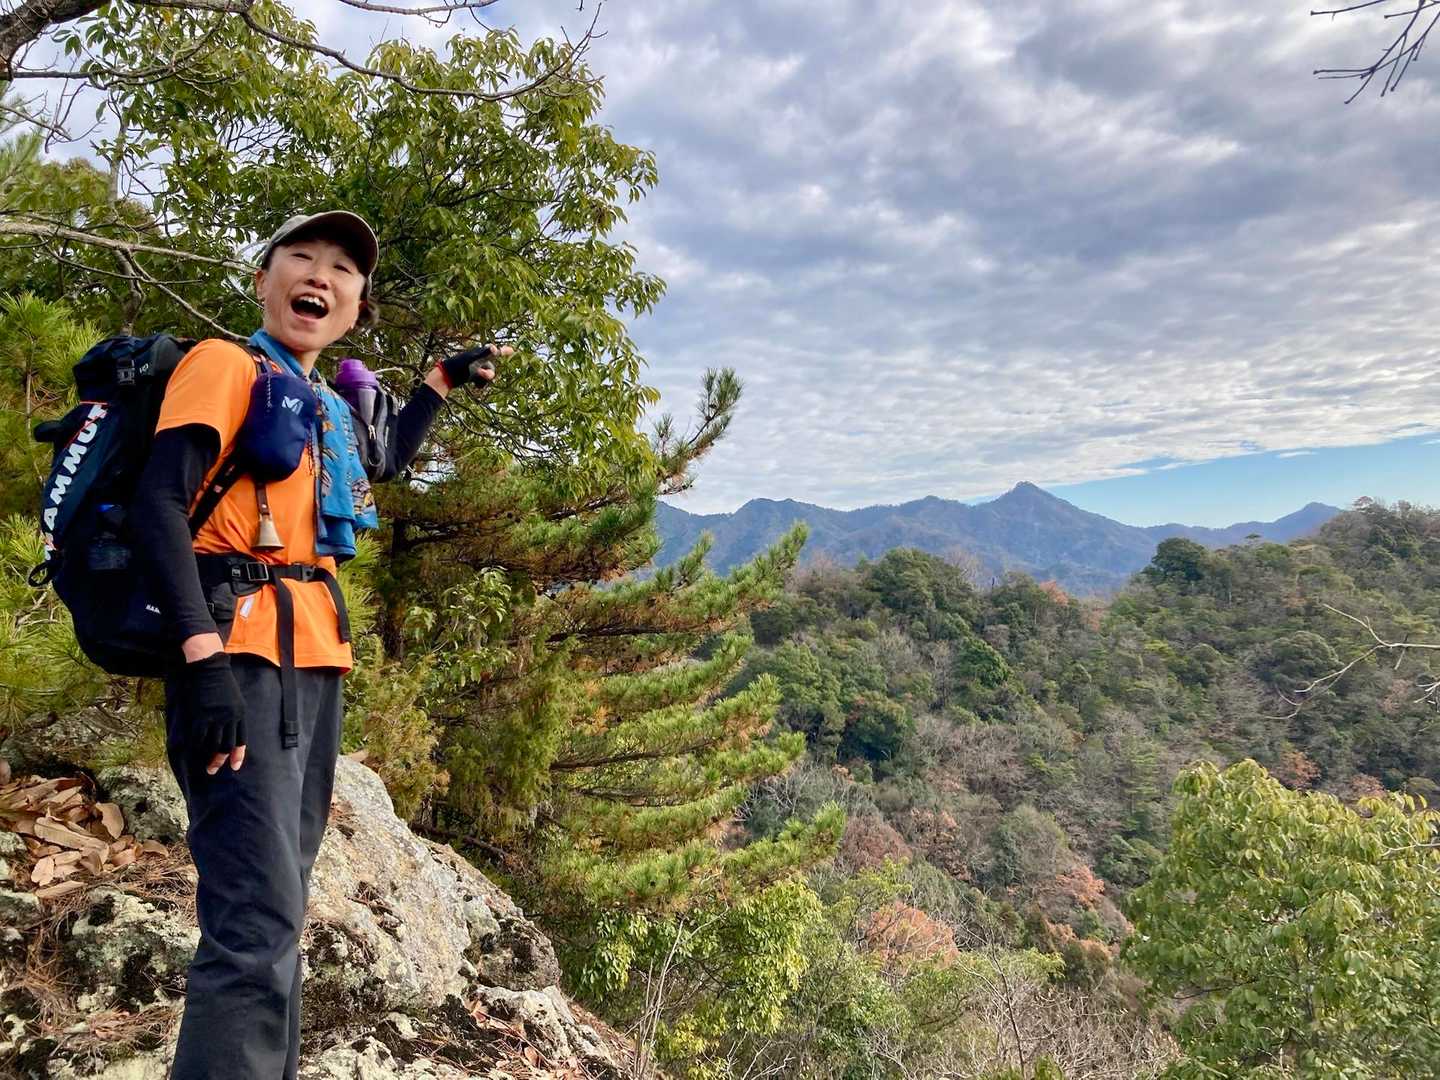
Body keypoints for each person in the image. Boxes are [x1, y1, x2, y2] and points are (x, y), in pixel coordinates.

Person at [131, 210, 509, 1080]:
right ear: (262, 280)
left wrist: (439, 384)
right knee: (254, 917)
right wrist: (202, 660)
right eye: (300, 256)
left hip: (312, 658)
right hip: (234, 653)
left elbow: (383, 459)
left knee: (281, 907)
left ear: (356, 307)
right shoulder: (223, 366)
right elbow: (159, 505)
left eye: (342, 269)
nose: (320, 275)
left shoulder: (328, 409)